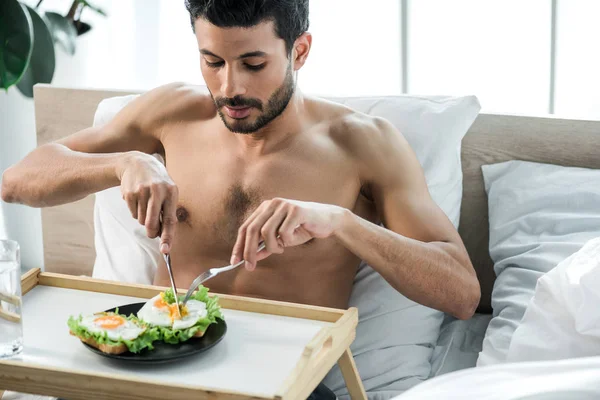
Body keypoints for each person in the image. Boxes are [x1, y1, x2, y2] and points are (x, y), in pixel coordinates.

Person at [1, 0, 480, 397]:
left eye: (254, 64)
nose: (230, 88)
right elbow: (18, 180)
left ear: (301, 50)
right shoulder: (172, 113)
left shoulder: (361, 144)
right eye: (212, 62)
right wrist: (122, 163)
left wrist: (341, 223)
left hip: (281, 380)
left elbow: (461, 293)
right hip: (153, 369)